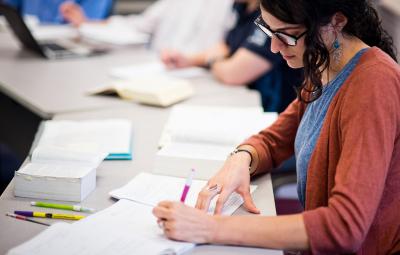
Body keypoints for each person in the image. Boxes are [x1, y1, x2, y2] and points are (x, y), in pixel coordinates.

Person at [153, 0, 400, 254]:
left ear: (337, 22)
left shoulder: (373, 85)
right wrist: (241, 158)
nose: (273, 47)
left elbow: (344, 227)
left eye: (287, 36)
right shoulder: (325, 65)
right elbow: (274, 140)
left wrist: (210, 227)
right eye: (269, 31)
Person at [161, 0, 303, 112]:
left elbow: (234, 73)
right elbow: (225, 46)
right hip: (247, 101)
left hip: (273, 111)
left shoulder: (273, 15)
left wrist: (213, 60)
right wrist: (189, 61)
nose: (274, 46)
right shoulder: (241, 6)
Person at [2, 0, 113, 26]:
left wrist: (83, 21)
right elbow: (7, 8)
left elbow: (93, 26)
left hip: (67, 48)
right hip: (21, 45)